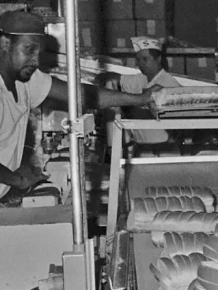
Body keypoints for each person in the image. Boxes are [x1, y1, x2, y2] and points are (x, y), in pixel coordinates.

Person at [0, 11, 162, 197]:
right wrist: (17, 180)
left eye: (39, 52)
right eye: (28, 50)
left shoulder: (27, 81)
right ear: (5, 43)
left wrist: (141, 99)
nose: (36, 61)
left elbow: (84, 95)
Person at [103, 36, 181, 150]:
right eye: (138, 60)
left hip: (163, 149)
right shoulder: (139, 79)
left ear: (158, 59)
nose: (140, 64)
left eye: (145, 59)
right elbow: (115, 79)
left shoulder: (170, 84)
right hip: (140, 147)